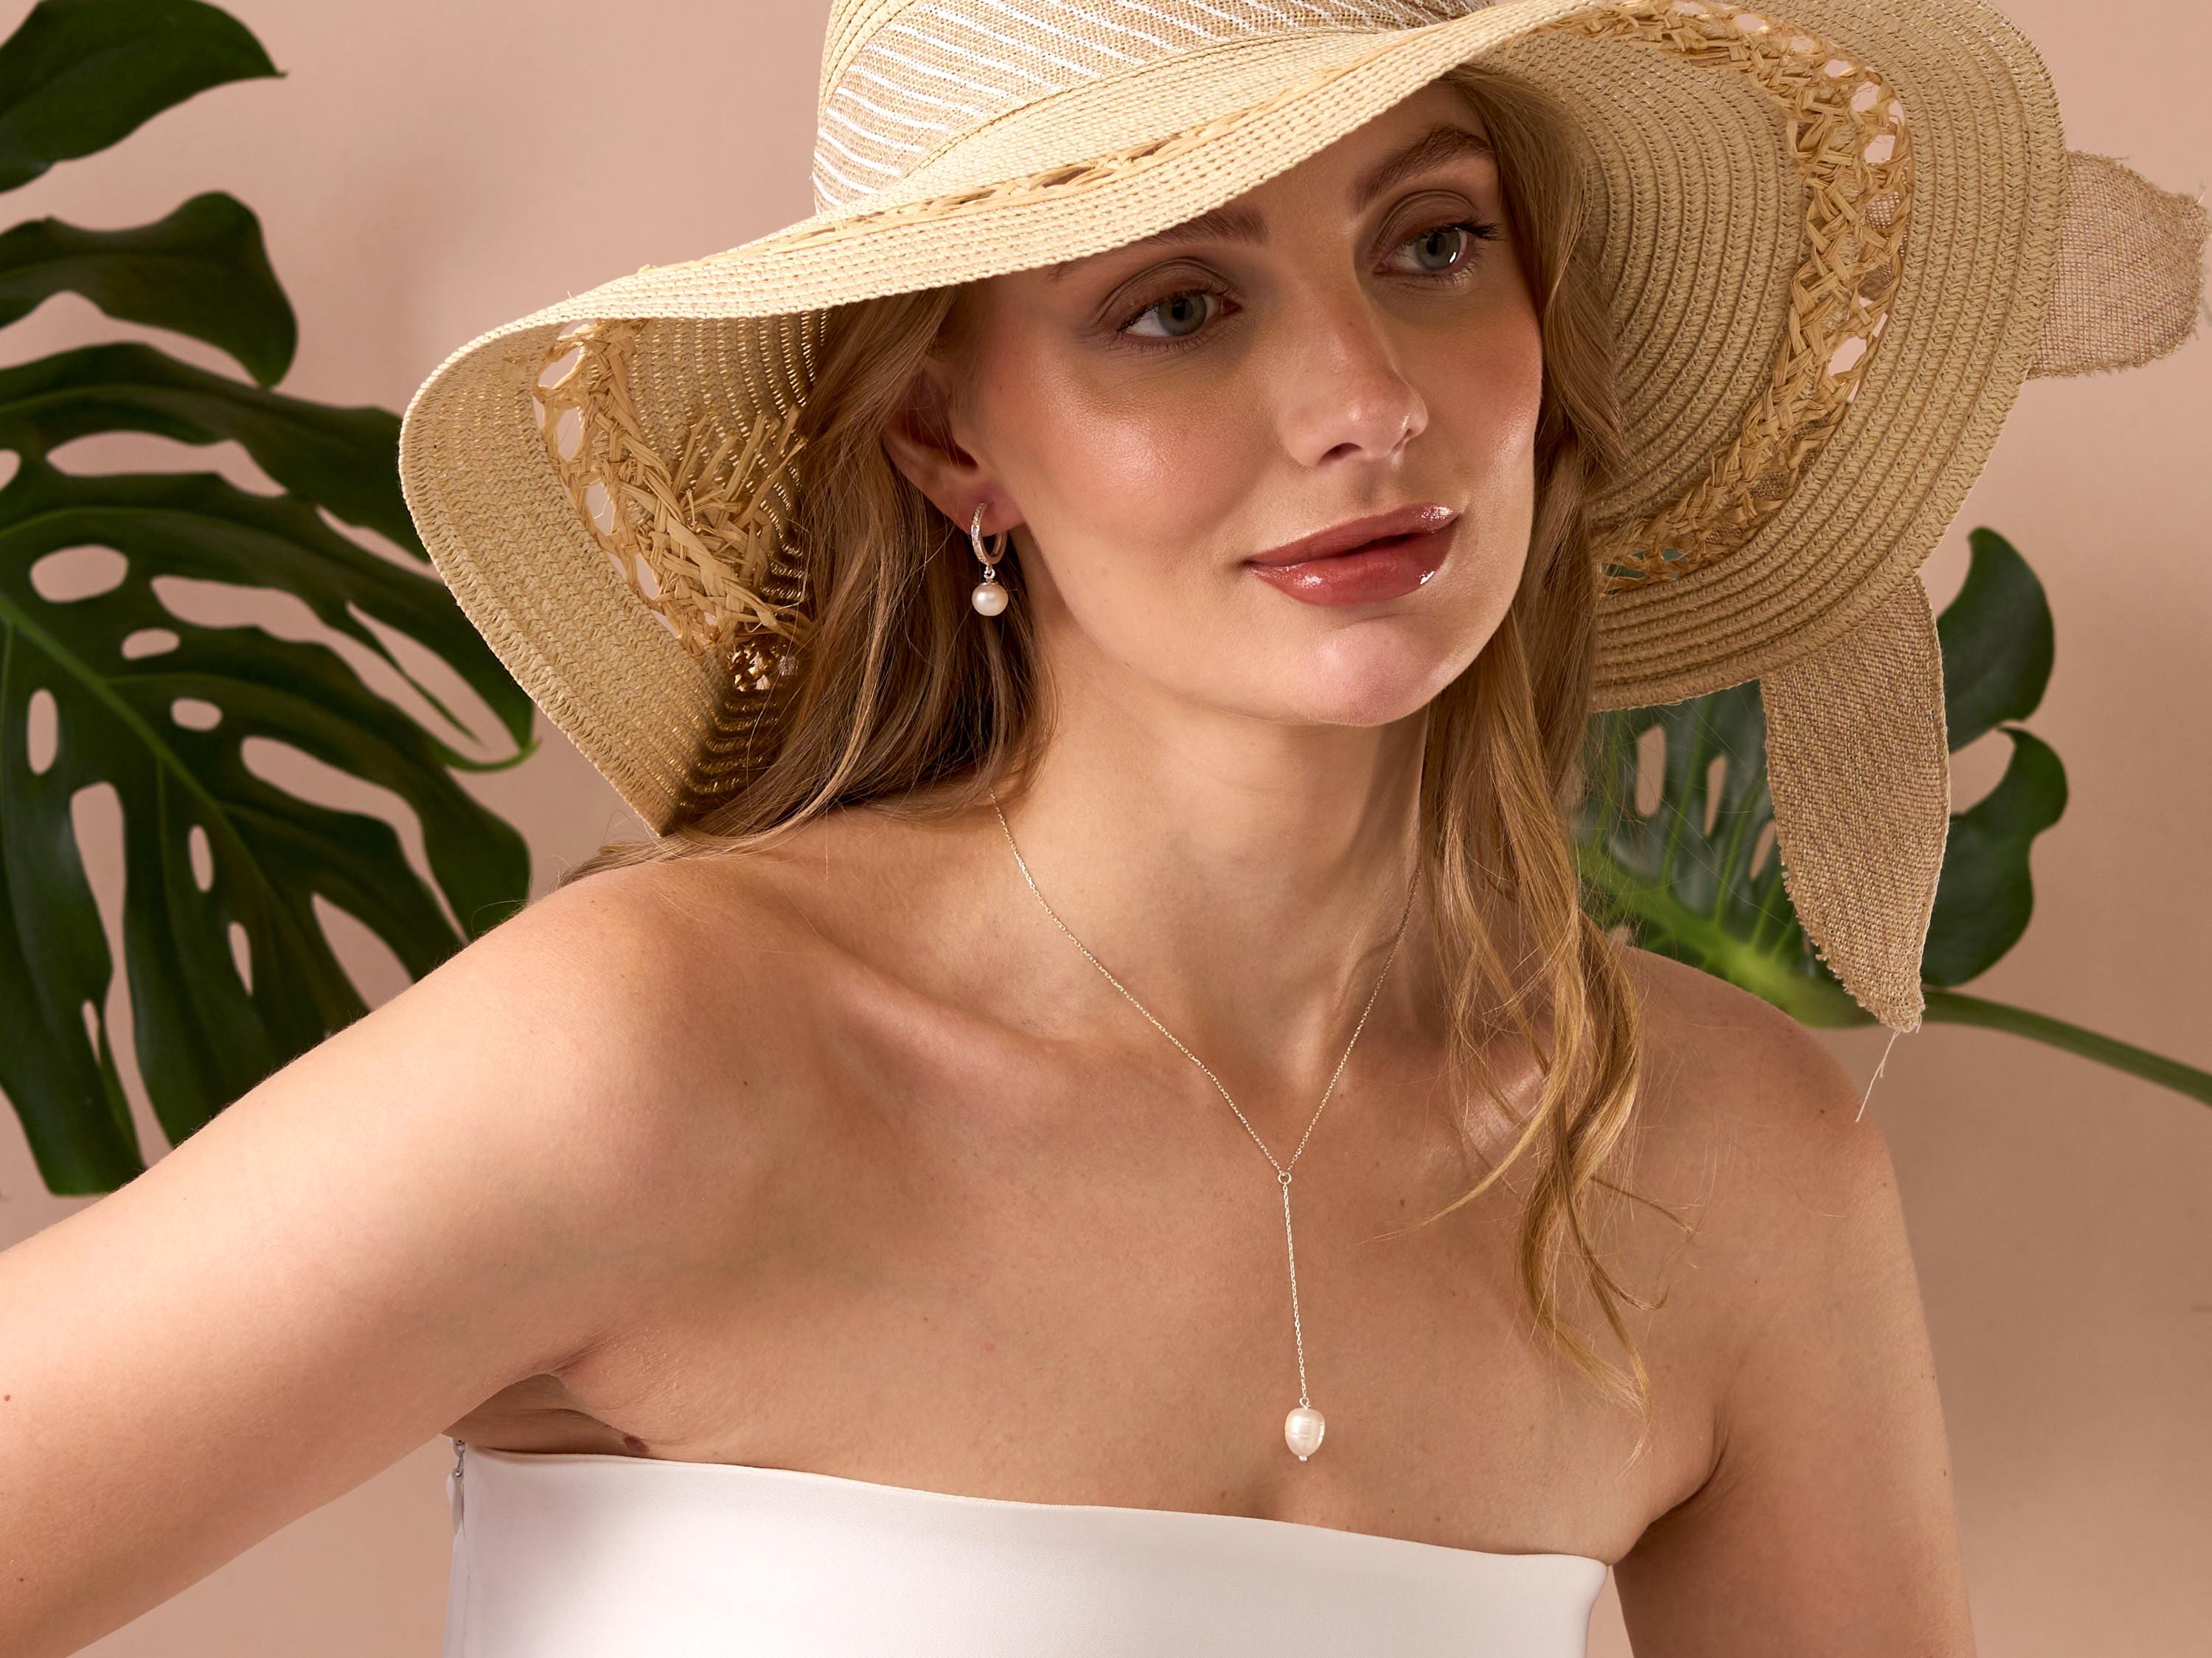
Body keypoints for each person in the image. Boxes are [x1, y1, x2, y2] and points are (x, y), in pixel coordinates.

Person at [2, 1, 2201, 1655]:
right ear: (959, 433)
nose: (1369, 398)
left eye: (1434, 240)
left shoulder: (1727, 1165)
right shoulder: (669, 1053)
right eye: (1177, 302)